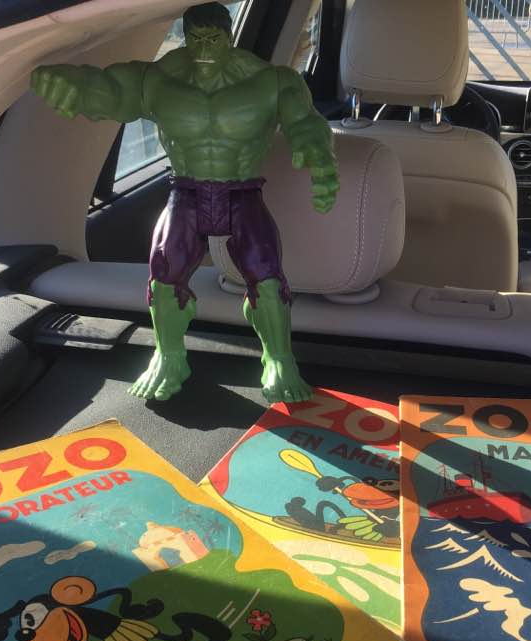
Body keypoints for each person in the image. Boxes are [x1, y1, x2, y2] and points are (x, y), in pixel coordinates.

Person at [31, 2, 339, 402]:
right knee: (164, 273)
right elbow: (108, 90)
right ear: (185, 36)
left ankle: (279, 358)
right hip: (186, 191)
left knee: (266, 274)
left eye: (214, 39)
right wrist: (69, 83)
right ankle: (169, 355)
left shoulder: (272, 82)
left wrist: (316, 148)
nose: (205, 49)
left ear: (229, 37)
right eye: (196, 39)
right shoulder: (158, 79)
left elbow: (306, 121)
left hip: (242, 191)